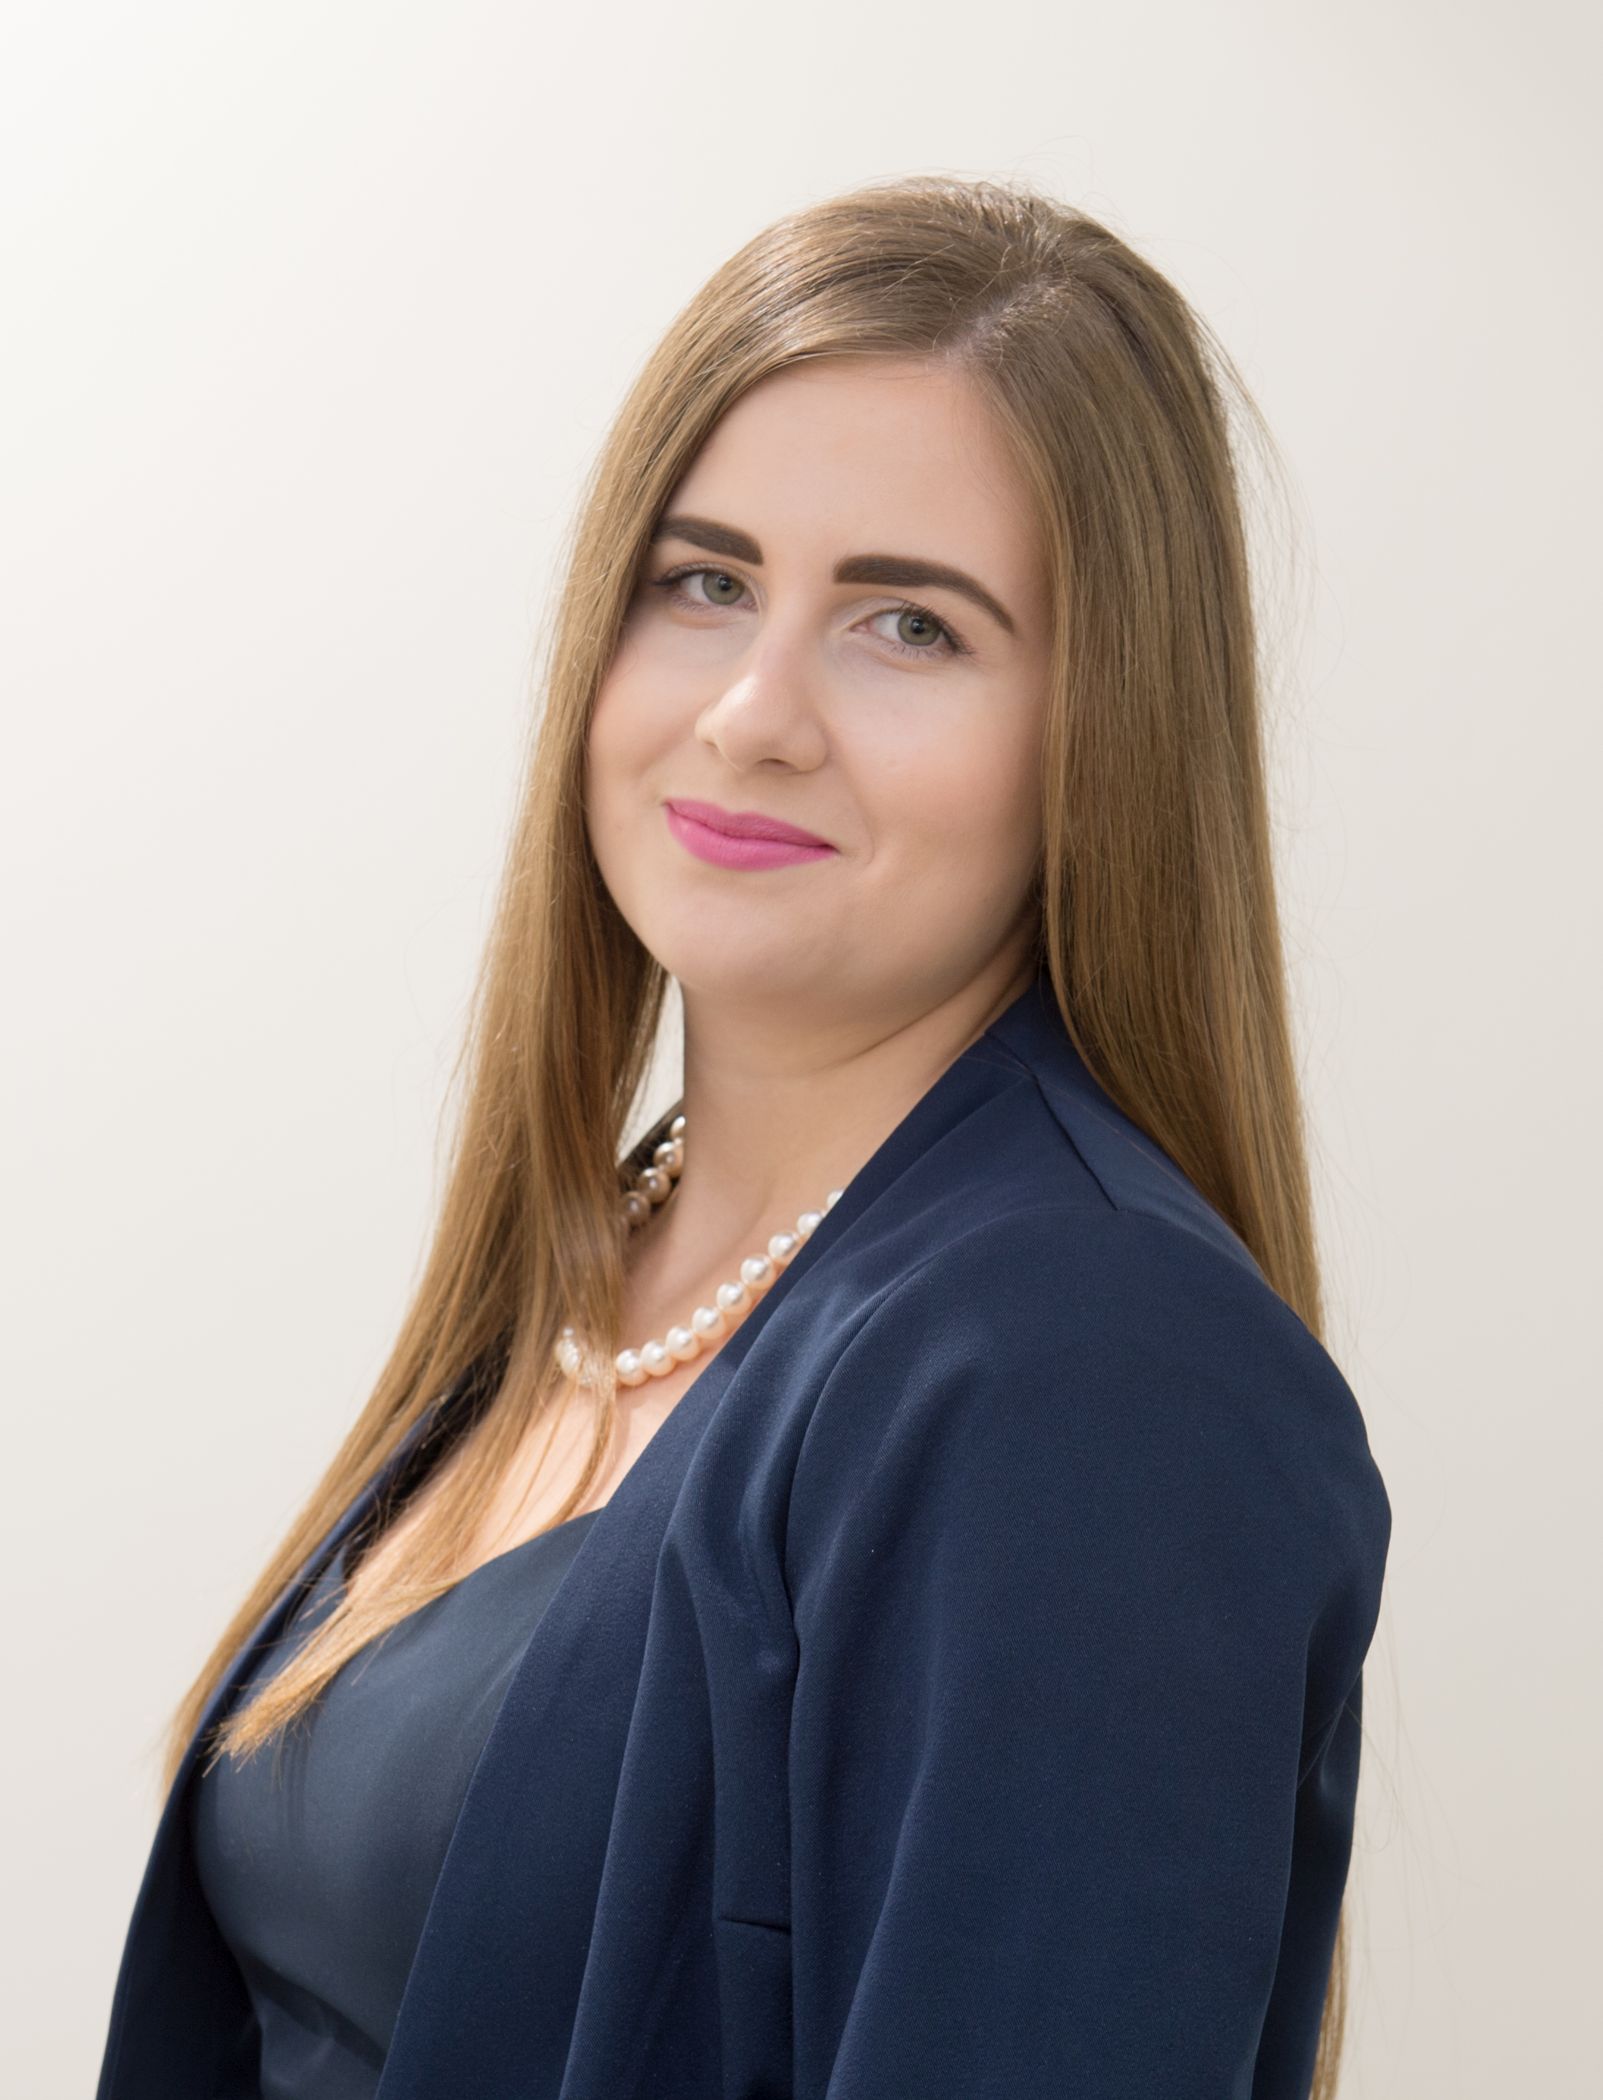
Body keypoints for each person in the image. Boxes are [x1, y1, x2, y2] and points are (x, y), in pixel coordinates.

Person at [94, 173, 1392, 2100]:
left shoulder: (1092, 1372)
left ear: (1101, 734)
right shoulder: (601, 1262)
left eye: (910, 624)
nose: (755, 714)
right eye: (704, 583)